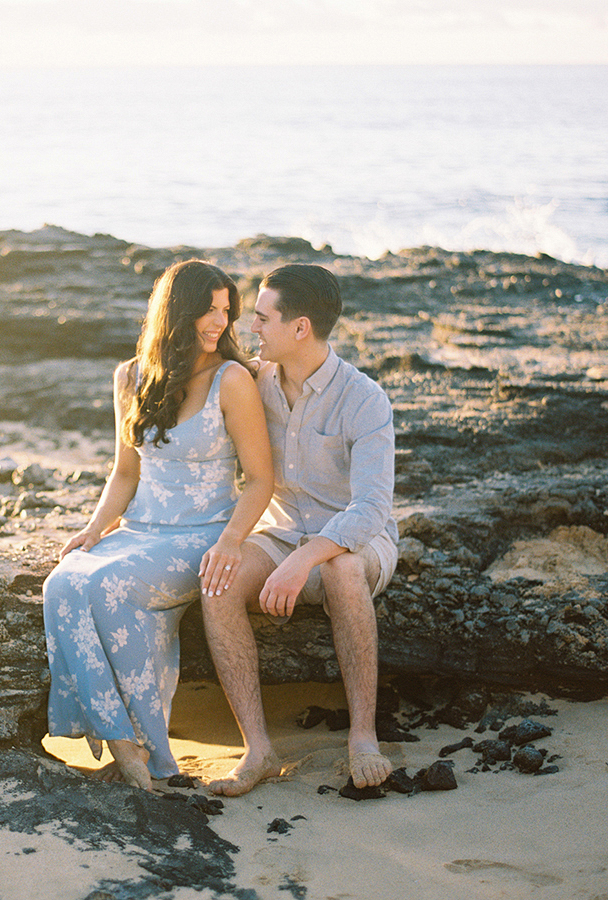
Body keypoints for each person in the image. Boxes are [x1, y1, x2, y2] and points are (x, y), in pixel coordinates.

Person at [43, 259, 273, 791]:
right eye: (208, 310)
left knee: (105, 585)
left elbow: (260, 479)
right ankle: (123, 741)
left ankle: (147, 752)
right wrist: (95, 529)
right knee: (63, 582)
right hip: (139, 530)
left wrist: (232, 542)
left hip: (202, 535)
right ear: (176, 312)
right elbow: (125, 472)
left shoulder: (232, 380)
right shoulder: (130, 377)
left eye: (226, 311)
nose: (220, 322)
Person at [201, 263, 399, 797]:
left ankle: (362, 737)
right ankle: (259, 749)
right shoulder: (256, 383)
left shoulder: (364, 399)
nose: (252, 330)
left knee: (341, 566)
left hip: (355, 541)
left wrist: (305, 557)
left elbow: (372, 507)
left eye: (262, 319)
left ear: (300, 328)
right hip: (280, 533)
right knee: (216, 582)